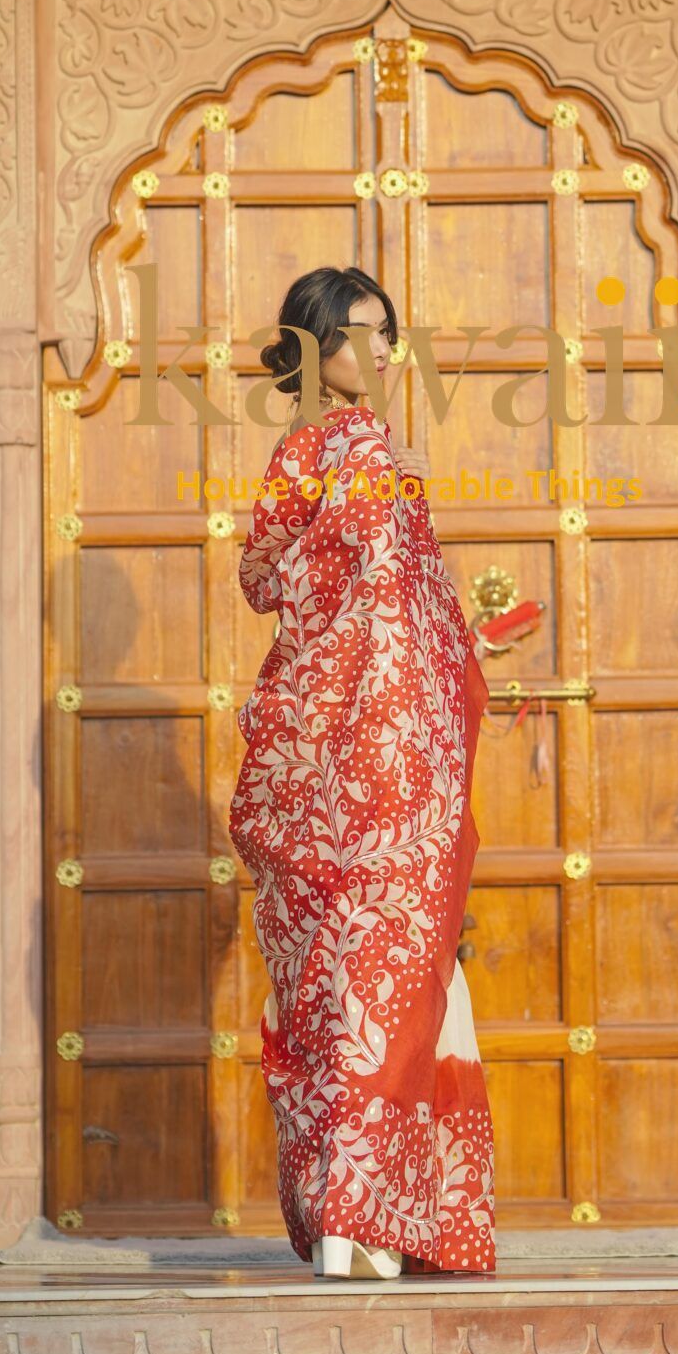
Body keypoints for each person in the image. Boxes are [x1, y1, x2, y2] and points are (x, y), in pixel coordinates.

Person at [228, 265, 495, 1281]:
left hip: (303, 762)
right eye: (358, 334)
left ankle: (338, 1215)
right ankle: (368, 1214)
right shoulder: (364, 448)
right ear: (313, 349)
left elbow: (264, 579)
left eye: (388, 332)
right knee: (389, 977)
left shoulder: (297, 451)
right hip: (388, 760)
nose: (381, 351)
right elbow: (402, 616)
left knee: (327, 984)